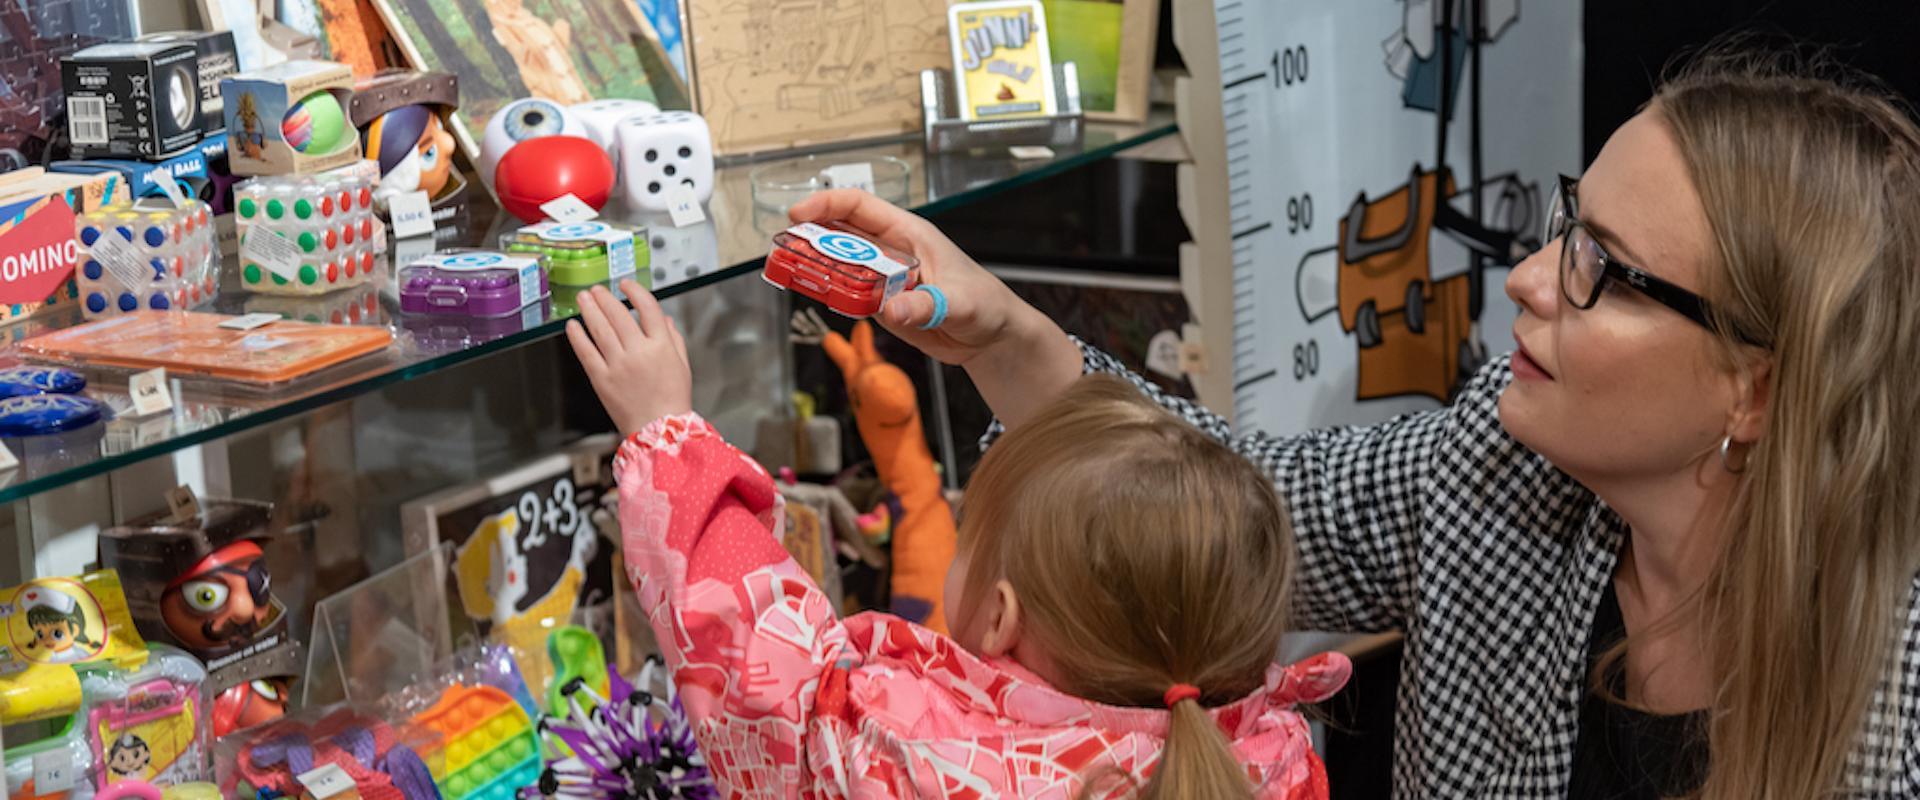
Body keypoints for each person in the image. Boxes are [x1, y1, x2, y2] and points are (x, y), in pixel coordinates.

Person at [784, 49, 1920, 798]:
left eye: (1601, 271)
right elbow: (1224, 510)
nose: (1527, 277)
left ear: (1758, 389)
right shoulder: (1501, 467)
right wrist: (1005, 337)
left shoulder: (1897, 676)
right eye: (1569, 222)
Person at [565, 280, 1351, 798]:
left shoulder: (910, 757)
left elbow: (762, 671)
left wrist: (666, 435)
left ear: (1002, 616)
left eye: (969, 525)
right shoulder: (1268, 752)